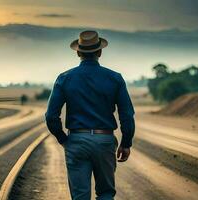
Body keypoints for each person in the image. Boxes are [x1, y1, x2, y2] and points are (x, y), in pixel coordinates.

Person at [45, 30, 135, 200]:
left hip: (77, 141)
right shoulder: (115, 78)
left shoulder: (64, 78)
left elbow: (51, 116)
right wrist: (126, 142)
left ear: (78, 52)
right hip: (105, 141)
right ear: (100, 52)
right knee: (106, 193)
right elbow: (127, 114)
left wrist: (63, 139)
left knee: (80, 196)